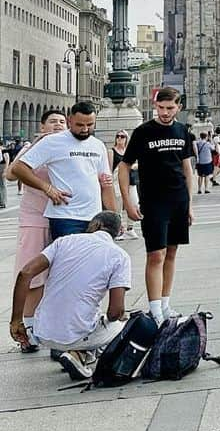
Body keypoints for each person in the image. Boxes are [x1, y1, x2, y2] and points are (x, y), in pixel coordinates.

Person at [9, 211, 130, 382]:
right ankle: (79, 351)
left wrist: (16, 320)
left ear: (95, 225)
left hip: (42, 332)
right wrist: (120, 316)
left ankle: (82, 353)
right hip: (77, 334)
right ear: (118, 233)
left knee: (89, 315)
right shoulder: (119, 256)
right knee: (120, 323)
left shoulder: (64, 241)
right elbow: (114, 312)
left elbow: (26, 273)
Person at [117, 88, 196, 326]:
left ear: (178, 107)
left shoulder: (183, 131)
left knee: (171, 252)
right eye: (160, 108)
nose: (164, 112)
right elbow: (124, 166)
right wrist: (128, 203)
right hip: (153, 200)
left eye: (170, 108)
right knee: (155, 254)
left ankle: (165, 303)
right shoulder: (143, 132)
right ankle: (154, 309)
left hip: (178, 198)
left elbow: (187, 169)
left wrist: (190, 204)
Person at [6, 108, 68, 352]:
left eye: (62, 122)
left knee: (60, 275)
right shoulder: (34, 146)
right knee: (32, 275)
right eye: (52, 122)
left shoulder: (68, 145)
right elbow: (10, 174)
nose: (57, 125)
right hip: (35, 218)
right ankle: (29, 330)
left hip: (63, 216)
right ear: (42, 127)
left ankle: (55, 329)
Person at [10, 102, 115, 238]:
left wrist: (114, 217)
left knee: (92, 259)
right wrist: (47, 188)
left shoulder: (98, 145)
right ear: (69, 120)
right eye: (80, 125)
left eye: (90, 125)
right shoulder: (53, 142)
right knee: (69, 258)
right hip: (65, 217)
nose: (85, 129)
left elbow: (106, 185)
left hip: (94, 216)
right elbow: (19, 168)